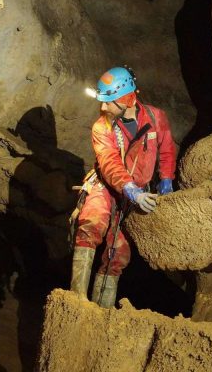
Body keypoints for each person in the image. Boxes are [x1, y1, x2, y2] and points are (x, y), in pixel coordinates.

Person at [71, 66, 176, 308]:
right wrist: (129, 189)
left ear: (128, 98)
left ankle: (101, 312)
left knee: (119, 253)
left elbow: (167, 149)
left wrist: (166, 179)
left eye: (109, 102)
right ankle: (74, 303)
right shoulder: (102, 127)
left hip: (135, 195)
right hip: (107, 185)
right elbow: (109, 162)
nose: (103, 107)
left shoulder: (155, 117)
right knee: (91, 223)